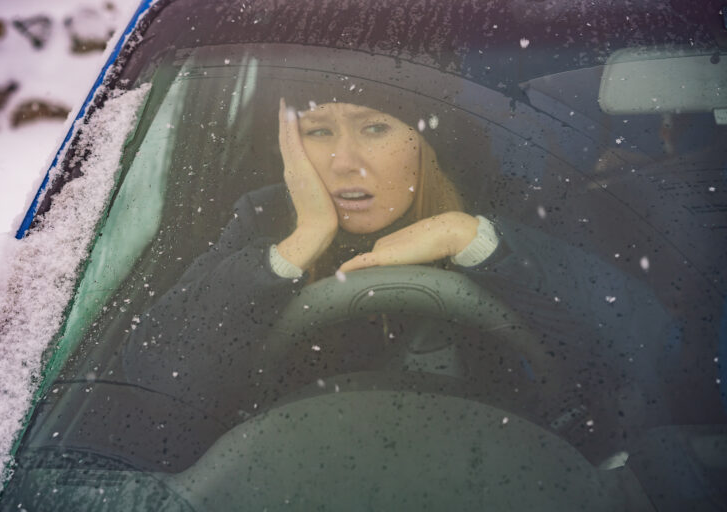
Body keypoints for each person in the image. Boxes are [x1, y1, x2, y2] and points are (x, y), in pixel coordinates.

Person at [123, 96, 674, 466]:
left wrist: (475, 240)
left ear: (428, 139)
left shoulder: (517, 213)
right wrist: (296, 245)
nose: (343, 162)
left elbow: (653, 358)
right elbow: (150, 394)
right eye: (318, 131)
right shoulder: (264, 223)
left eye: (375, 127)